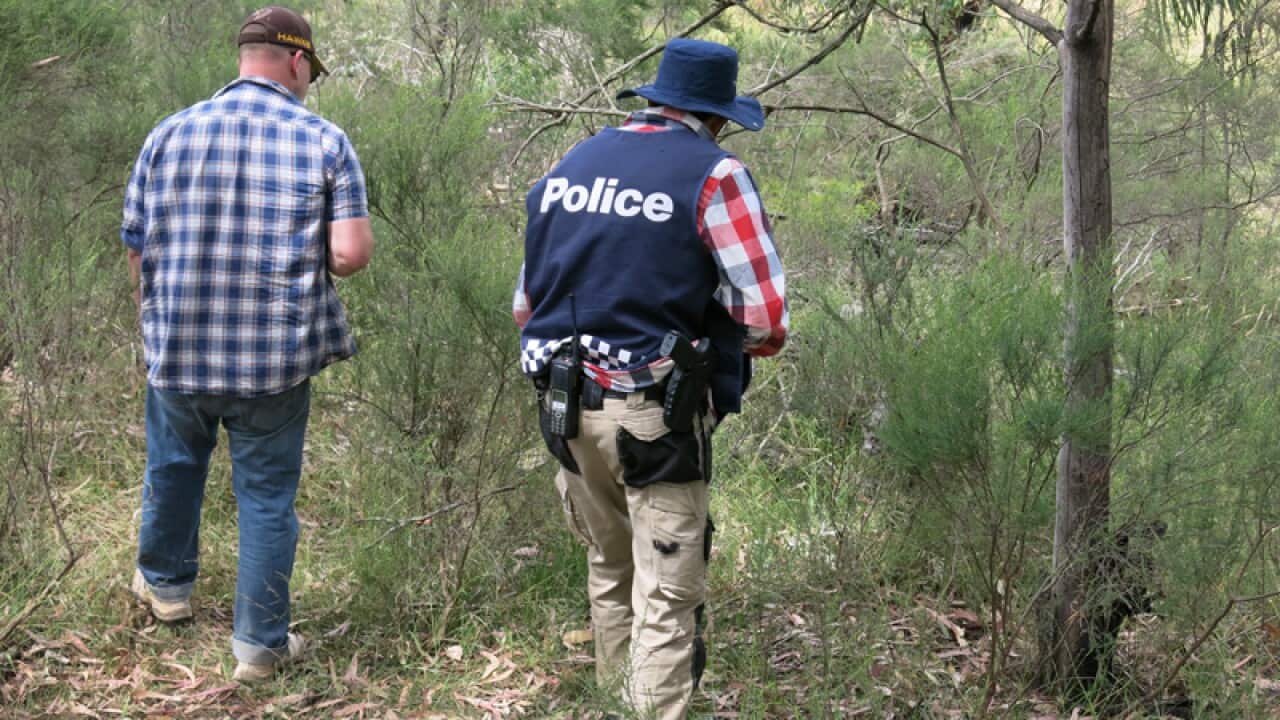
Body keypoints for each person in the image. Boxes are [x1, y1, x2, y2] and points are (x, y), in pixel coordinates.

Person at [513, 38, 788, 720]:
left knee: (611, 570)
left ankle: (616, 699)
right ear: (716, 116)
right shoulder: (716, 176)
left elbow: (526, 305)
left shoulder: (574, 162)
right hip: (654, 416)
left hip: (564, 406)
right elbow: (763, 319)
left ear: (656, 99)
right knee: (667, 593)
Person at [120, 6, 373, 683]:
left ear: (243, 59)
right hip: (273, 359)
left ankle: (167, 593)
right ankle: (259, 647)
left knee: (173, 468)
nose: (309, 82)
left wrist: (154, 326)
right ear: (296, 62)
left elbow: (137, 248)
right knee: (265, 496)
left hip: (179, 346)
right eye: (310, 71)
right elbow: (349, 255)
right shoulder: (322, 141)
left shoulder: (167, 134)